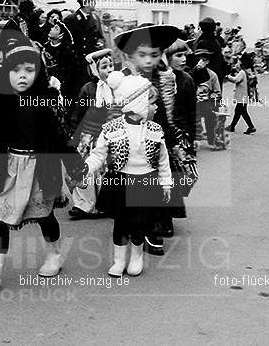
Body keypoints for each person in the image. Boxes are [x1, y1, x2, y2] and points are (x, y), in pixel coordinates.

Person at [0, 35, 87, 294]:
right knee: (0, 219)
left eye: (29, 70)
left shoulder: (45, 101)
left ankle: (54, 255)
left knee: (44, 215)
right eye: (16, 70)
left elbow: (62, 138)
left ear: (38, 72)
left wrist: (76, 170)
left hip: (40, 169)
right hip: (8, 168)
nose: (22, 76)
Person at [82, 72, 172, 277]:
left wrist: (166, 183)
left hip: (145, 180)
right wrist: (86, 169)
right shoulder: (111, 129)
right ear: (137, 104)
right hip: (120, 180)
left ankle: (137, 257)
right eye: (151, 102)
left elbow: (163, 161)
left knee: (140, 222)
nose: (156, 107)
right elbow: (98, 155)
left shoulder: (156, 130)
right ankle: (118, 260)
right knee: (120, 223)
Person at [112, 23, 181, 255]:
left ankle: (154, 230)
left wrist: (175, 141)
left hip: (156, 140)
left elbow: (167, 114)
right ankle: (132, 232)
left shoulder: (165, 79)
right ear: (130, 56)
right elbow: (112, 112)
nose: (149, 60)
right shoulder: (122, 81)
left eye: (154, 55)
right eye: (142, 55)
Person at [69, 48, 114, 219]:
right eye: (104, 66)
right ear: (95, 69)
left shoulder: (117, 88)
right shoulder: (88, 90)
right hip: (89, 136)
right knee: (86, 169)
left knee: (106, 171)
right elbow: (78, 115)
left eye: (111, 65)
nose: (109, 70)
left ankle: (105, 204)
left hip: (110, 135)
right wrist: (74, 135)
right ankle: (83, 205)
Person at [163, 39, 197, 222]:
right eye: (178, 55)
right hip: (164, 133)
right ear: (167, 58)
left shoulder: (187, 80)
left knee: (183, 175)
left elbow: (192, 112)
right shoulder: (161, 78)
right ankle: (167, 218)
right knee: (167, 175)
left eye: (184, 55)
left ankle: (172, 210)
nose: (184, 59)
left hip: (181, 134)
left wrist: (193, 137)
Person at [43, 20, 81, 108]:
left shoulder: (69, 50)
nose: (51, 28)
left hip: (66, 89)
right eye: (53, 27)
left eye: (55, 28)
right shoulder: (45, 47)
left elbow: (74, 73)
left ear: (61, 35)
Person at [192, 47, 222, 149]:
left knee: (211, 117)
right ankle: (196, 139)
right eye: (199, 59)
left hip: (206, 102)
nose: (201, 62)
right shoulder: (190, 73)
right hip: (192, 102)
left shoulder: (212, 75)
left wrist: (208, 97)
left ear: (208, 61)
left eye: (204, 60)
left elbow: (217, 93)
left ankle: (212, 139)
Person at [225, 55, 257, 134]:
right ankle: (232, 126)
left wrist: (227, 77)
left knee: (242, 111)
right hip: (246, 94)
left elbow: (236, 80)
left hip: (241, 95)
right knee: (238, 111)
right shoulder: (250, 71)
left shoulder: (242, 72)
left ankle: (251, 126)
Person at [194, 18, 225, 95]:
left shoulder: (202, 42)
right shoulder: (215, 41)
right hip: (217, 74)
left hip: (206, 77)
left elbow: (198, 61)